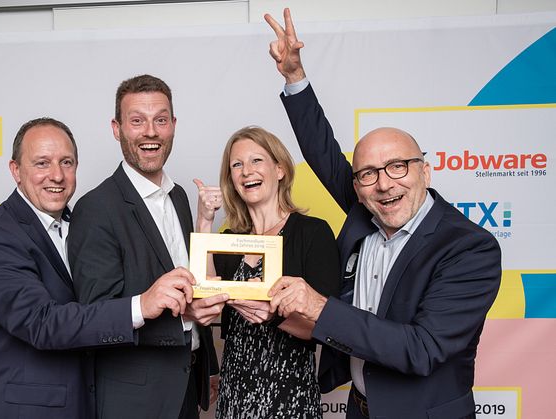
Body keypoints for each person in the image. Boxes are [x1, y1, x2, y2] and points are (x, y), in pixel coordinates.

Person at [264, 9, 502, 419]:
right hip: (359, 409)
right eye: (369, 173)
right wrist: (294, 77)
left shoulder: (470, 249)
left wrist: (319, 308)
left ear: (425, 171)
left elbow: (421, 349)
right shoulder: (366, 209)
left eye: (399, 167)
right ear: (357, 185)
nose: (385, 183)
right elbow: (323, 151)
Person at [0, 117, 196, 419]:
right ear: (16, 171)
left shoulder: (78, 224)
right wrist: (140, 305)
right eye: (42, 164)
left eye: (67, 163)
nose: (56, 175)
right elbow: (42, 322)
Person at [68, 75, 228, 419]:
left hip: (186, 388)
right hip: (134, 401)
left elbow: (192, 289)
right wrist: (181, 315)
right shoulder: (96, 208)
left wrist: (208, 365)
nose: (150, 132)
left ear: (173, 125)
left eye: (161, 120)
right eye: (137, 121)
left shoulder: (180, 197)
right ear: (117, 128)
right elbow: (96, 317)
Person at [194, 126, 341, 418]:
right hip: (234, 395)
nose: (246, 171)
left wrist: (273, 316)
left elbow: (326, 327)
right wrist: (204, 222)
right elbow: (204, 300)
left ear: (280, 169)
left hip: (289, 395)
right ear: (231, 180)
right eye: (237, 165)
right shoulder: (228, 238)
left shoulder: (312, 233)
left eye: (256, 160)